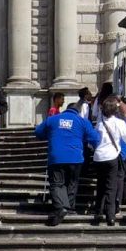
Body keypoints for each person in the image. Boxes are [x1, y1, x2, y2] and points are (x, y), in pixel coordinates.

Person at [33, 97, 98, 226]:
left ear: (66, 110)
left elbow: (38, 132)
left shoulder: (52, 119)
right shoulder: (82, 121)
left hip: (57, 156)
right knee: (72, 183)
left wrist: (51, 135)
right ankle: (70, 208)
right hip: (75, 157)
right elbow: (95, 138)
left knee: (57, 184)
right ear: (78, 111)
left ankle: (60, 207)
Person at [88, 96, 126, 225]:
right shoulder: (119, 123)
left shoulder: (100, 123)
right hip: (112, 157)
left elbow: (94, 140)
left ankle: (98, 210)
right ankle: (110, 215)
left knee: (101, 184)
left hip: (98, 157)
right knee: (111, 187)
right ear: (115, 110)